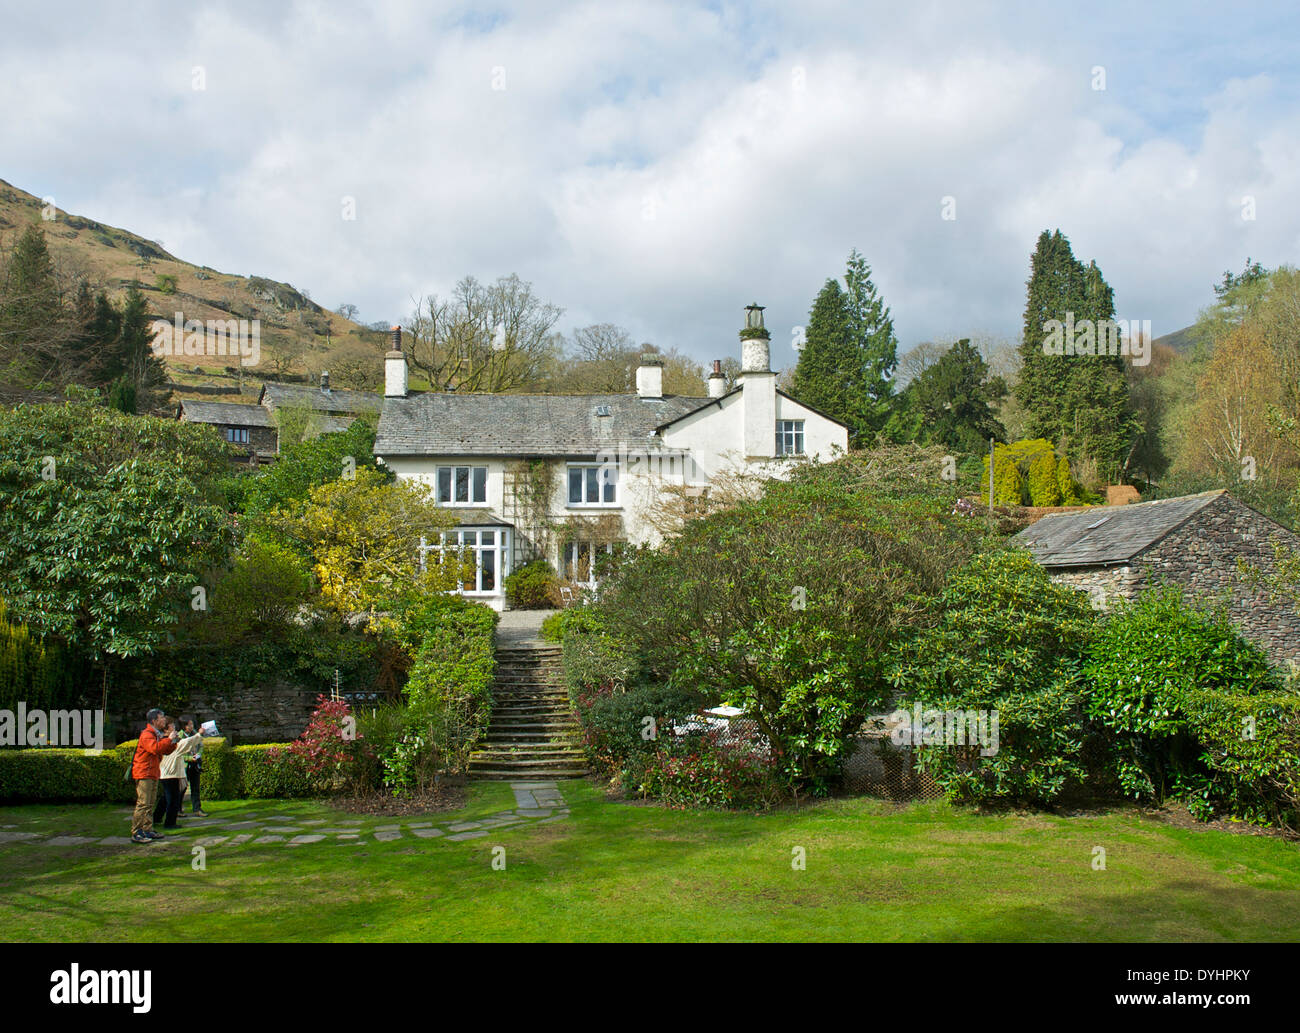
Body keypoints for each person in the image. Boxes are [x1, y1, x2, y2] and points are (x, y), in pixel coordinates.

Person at [130, 708, 178, 844]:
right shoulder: (147, 735)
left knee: (150, 803)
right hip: (144, 772)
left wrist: (172, 742)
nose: (164, 720)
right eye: (162, 718)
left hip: (152, 772)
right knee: (143, 803)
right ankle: (137, 831)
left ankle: (147, 828)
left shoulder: (155, 734)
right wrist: (168, 740)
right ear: (154, 720)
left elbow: (164, 750)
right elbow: (155, 748)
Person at [153, 717, 202, 830]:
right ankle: (170, 823)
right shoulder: (168, 742)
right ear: (166, 730)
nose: (175, 729)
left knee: (166, 798)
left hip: (168, 773)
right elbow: (185, 744)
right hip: (170, 774)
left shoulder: (164, 740)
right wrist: (199, 735)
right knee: (173, 799)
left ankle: (157, 817)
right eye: (172, 727)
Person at [181, 716, 209, 817]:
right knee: (182, 788)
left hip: (195, 764)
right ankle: (178, 810)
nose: (192, 726)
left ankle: (197, 808)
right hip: (185, 765)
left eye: (192, 724)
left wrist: (198, 755)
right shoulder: (180, 736)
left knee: (195, 787)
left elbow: (200, 746)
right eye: (190, 724)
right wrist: (189, 758)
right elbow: (178, 752)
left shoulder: (195, 734)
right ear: (184, 726)